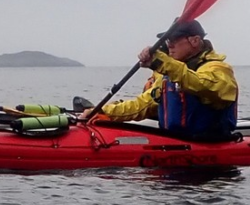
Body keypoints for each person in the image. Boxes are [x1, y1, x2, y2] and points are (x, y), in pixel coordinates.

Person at [84, 20, 238, 139]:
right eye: (167, 41)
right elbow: (142, 105)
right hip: (175, 141)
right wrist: (103, 111)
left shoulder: (218, 70)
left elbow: (199, 83)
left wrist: (160, 62)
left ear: (195, 41)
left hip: (210, 147)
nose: (169, 45)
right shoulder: (170, 75)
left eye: (174, 40)